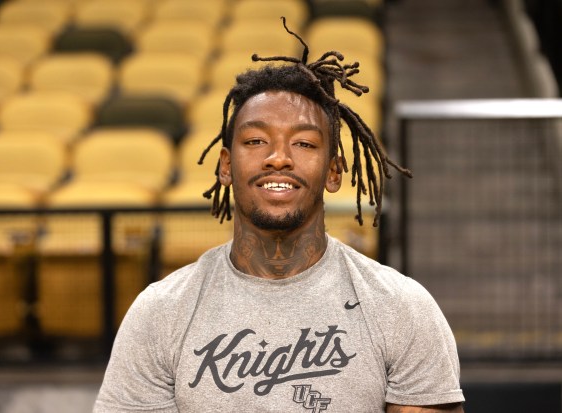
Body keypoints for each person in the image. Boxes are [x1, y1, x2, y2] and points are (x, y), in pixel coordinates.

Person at [94, 19, 465, 413]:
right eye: (255, 141)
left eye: (304, 143)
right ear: (224, 166)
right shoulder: (160, 312)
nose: (278, 158)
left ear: (334, 171)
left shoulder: (401, 308)